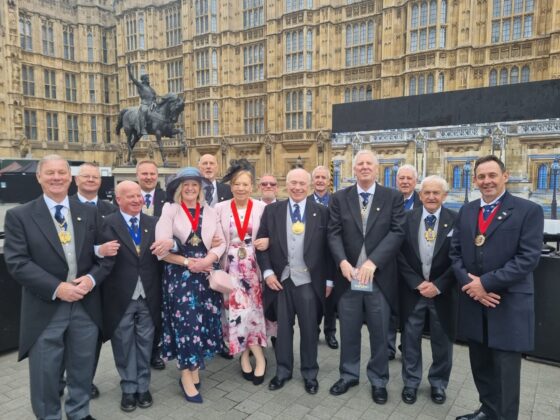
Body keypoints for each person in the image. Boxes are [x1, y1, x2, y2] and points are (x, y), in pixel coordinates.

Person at [4, 154, 111, 420]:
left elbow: (105, 255)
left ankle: (79, 413)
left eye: (61, 173)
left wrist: (91, 279)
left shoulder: (89, 213)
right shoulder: (20, 216)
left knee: (82, 367)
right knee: (45, 373)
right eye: (50, 173)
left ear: (70, 178)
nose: (56, 178)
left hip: (85, 307)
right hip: (45, 308)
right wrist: (57, 288)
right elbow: (18, 262)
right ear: (38, 177)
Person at [450, 155, 544, 420]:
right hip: (474, 302)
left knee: (505, 371)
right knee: (480, 365)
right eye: (481, 176)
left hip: (507, 303)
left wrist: (485, 283)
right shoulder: (467, 211)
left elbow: (527, 259)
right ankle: (487, 411)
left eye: (492, 175)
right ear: (475, 180)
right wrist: (472, 285)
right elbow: (454, 253)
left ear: (505, 176)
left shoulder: (528, 211)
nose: (487, 181)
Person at [328, 150, 405, 404]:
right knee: (349, 331)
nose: (364, 167)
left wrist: (373, 262)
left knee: (380, 333)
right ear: (353, 169)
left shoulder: (393, 197)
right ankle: (348, 375)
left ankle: (379, 380)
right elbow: (333, 233)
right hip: (348, 279)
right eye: (359, 163)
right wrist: (342, 262)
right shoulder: (339, 198)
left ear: (377, 168)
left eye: (368, 163)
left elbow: (397, 232)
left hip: (379, 280)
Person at [256, 168, 332, 395]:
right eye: (293, 183)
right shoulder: (272, 211)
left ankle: (309, 373)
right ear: (286, 185)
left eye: (302, 183)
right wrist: (267, 273)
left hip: (309, 281)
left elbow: (329, 249)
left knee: (309, 330)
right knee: (283, 330)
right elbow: (261, 244)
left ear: (309, 186)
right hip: (281, 281)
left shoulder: (322, 212)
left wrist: (329, 280)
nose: (297, 187)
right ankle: (283, 371)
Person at [155, 167, 226, 404]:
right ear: (179, 188)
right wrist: (188, 262)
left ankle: (194, 368)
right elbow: (161, 249)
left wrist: (208, 259)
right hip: (180, 276)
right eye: (185, 184)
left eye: (194, 184)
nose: (190, 188)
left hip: (205, 275)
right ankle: (186, 375)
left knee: (201, 324)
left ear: (201, 188)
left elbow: (220, 243)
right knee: (186, 325)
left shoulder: (211, 212)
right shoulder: (170, 210)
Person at [99, 181, 167, 412]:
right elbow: (93, 252)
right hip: (120, 297)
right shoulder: (107, 223)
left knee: (146, 343)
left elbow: (172, 245)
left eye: (139, 195)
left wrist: (172, 243)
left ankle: (143, 386)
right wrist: (98, 250)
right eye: (131, 196)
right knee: (123, 343)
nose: (138, 200)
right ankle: (128, 388)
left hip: (148, 294)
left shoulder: (154, 223)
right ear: (118, 199)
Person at [397, 175, 458, 405]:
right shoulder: (406, 218)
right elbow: (398, 254)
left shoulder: (456, 220)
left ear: (444, 196)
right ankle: (411, 382)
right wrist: (416, 282)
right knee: (410, 339)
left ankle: (438, 383)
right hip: (413, 291)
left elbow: (460, 258)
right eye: (427, 193)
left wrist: (439, 285)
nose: (431, 197)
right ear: (420, 195)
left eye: (436, 193)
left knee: (442, 341)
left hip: (442, 292)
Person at [215, 159, 269, 385]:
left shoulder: (261, 208)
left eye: (245, 184)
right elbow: (216, 238)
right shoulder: (220, 208)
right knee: (237, 313)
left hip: (253, 267)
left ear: (252, 186)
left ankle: (255, 357)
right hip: (231, 268)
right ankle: (248, 356)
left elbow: (269, 233)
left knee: (253, 313)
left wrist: (268, 241)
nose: (241, 188)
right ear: (231, 186)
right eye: (237, 184)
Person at [68, 162, 117, 399]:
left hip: (102, 282)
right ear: (76, 180)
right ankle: (61, 379)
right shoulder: (65, 205)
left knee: (93, 336)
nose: (90, 180)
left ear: (100, 181)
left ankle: (86, 380)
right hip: (71, 284)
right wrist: (98, 250)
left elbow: (115, 246)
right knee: (64, 337)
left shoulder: (110, 208)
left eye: (95, 177)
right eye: (85, 176)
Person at [387, 164, 422, 360]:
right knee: (390, 307)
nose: (405, 182)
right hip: (389, 263)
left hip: (412, 267)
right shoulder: (388, 200)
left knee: (410, 311)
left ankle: (407, 347)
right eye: (402, 178)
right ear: (396, 180)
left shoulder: (423, 203)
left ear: (415, 181)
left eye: (409, 178)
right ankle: (388, 348)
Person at [135, 159, 166, 370]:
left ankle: (155, 351)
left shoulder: (168, 199)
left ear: (157, 175)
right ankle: (136, 352)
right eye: (144, 174)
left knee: (157, 310)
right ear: (137, 175)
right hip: (134, 265)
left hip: (159, 264)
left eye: (152, 174)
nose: (148, 177)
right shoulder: (128, 196)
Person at [310, 165, 338, 350]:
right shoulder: (305, 201)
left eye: (323, 177)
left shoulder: (338, 201)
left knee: (330, 297)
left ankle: (330, 332)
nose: (320, 180)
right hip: (312, 256)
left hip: (333, 254)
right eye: (317, 177)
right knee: (314, 298)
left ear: (329, 181)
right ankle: (313, 331)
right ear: (312, 181)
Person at [127, 62, 157, 136]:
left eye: (148, 78)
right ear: (144, 80)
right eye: (147, 78)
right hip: (145, 104)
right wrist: (129, 69)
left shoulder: (151, 89)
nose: (148, 79)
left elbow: (155, 96)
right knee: (144, 111)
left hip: (152, 104)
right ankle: (143, 128)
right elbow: (133, 79)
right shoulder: (141, 86)